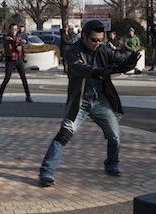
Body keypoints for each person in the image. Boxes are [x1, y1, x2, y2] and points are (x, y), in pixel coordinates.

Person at [38, 20, 140, 185]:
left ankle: (112, 163)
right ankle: (46, 172)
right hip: (80, 101)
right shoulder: (73, 51)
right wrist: (97, 71)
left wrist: (129, 63)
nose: (97, 43)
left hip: (100, 100)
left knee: (115, 135)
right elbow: (78, 68)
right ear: (84, 36)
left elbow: (118, 62)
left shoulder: (103, 49)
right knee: (64, 134)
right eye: (94, 40)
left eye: (100, 40)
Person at [0, 23, 33, 103]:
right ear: (9, 29)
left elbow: (23, 42)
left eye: (16, 30)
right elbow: (8, 40)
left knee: (23, 78)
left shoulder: (18, 37)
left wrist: (21, 43)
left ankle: (28, 96)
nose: (14, 31)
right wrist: (18, 42)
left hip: (18, 59)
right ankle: (0, 97)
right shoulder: (6, 37)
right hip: (10, 60)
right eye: (13, 29)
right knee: (7, 78)